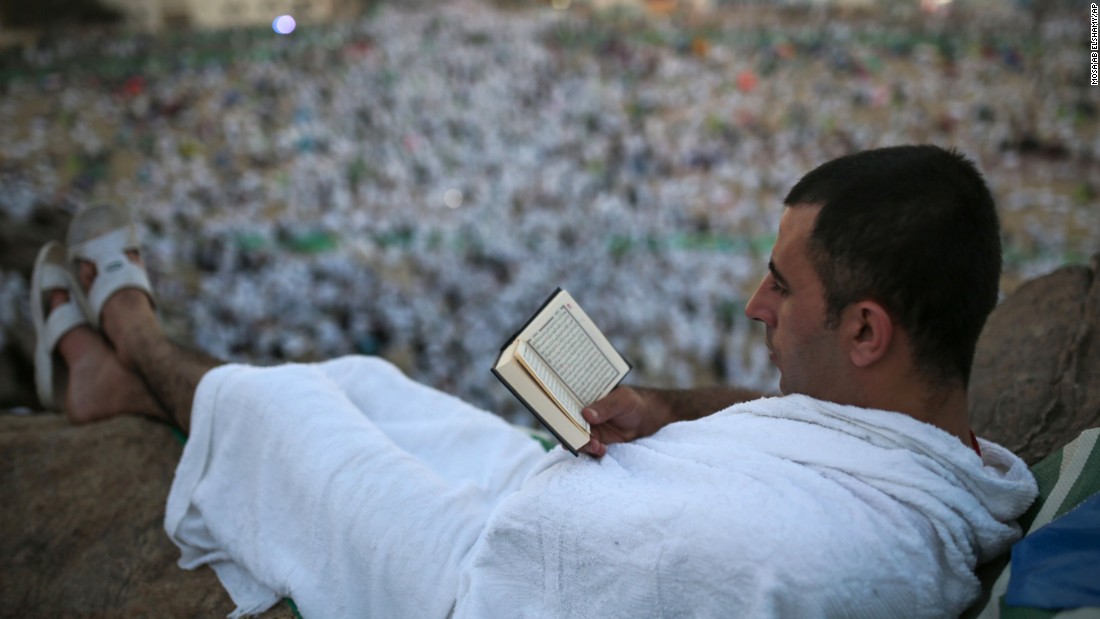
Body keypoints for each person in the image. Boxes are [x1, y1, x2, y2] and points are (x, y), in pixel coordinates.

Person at [32, 144, 1036, 618]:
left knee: (272, 404)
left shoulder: (807, 559)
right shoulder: (916, 445)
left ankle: (120, 333)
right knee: (358, 376)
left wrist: (560, 490)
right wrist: (661, 409)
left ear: (864, 328)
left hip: (480, 571)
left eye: (781, 284)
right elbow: (790, 428)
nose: (751, 304)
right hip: (550, 492)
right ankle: (126, 390)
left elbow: (549, 570)